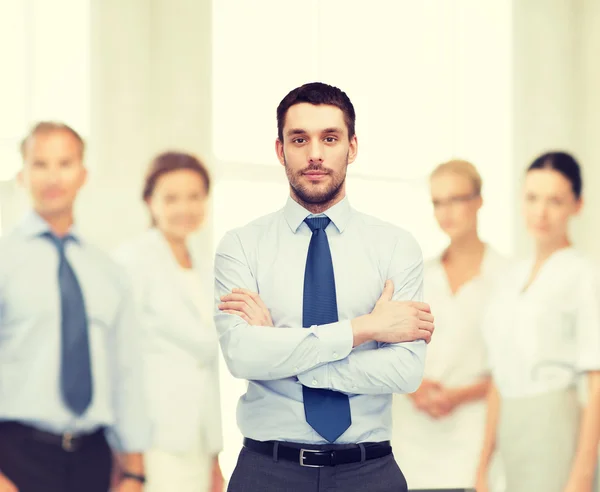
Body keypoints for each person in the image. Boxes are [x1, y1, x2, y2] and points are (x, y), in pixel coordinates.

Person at [214, 82, 435, 492]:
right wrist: (365, 329)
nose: (314, 153)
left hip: (369, 473)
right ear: (280, 150)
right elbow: (243, 356)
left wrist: (282, 350)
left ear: (352, 147)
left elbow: (405, 370)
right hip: (267, 472)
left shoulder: (396, 247)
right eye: (299, 139)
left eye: (329, 138)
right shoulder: (241, 246)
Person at [0, 122, 149, 492]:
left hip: (93, 458)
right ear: (21, 174)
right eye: (40, 164)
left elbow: (126, 371)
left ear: (83, 175)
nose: (53, 176)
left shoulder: (109, 271)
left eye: (65, 163)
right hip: (16, 456)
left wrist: (134, 470)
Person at [475, 152, 600, 492]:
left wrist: (583, 475)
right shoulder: (509, 278)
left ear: (577, 205)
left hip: (556, 424)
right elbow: (498, 377)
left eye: (555, 201)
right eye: (532, 198)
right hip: (511, 431)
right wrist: (483, 464)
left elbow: (596, 380)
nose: (540, 212)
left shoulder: (585, 275)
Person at [392, 159, 507, 489]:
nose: (447, 212)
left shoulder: (507, 277)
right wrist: (415, 388)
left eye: (456, 199)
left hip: (474, 442)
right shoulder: (416, 276)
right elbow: (388, 349)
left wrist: (461, 394)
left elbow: (513, 368)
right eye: (438, 202)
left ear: (479, 201)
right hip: (412, 442)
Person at [114, 152, 224, 492]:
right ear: (150, 201)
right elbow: (120, 361)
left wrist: (214, 453)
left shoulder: (206, 264)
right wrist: (130, 458)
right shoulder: (132, 261)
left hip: (198, 437)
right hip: (153, 438)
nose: (185, 208)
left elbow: (206, 362)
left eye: (194, 196)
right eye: (171, 198)